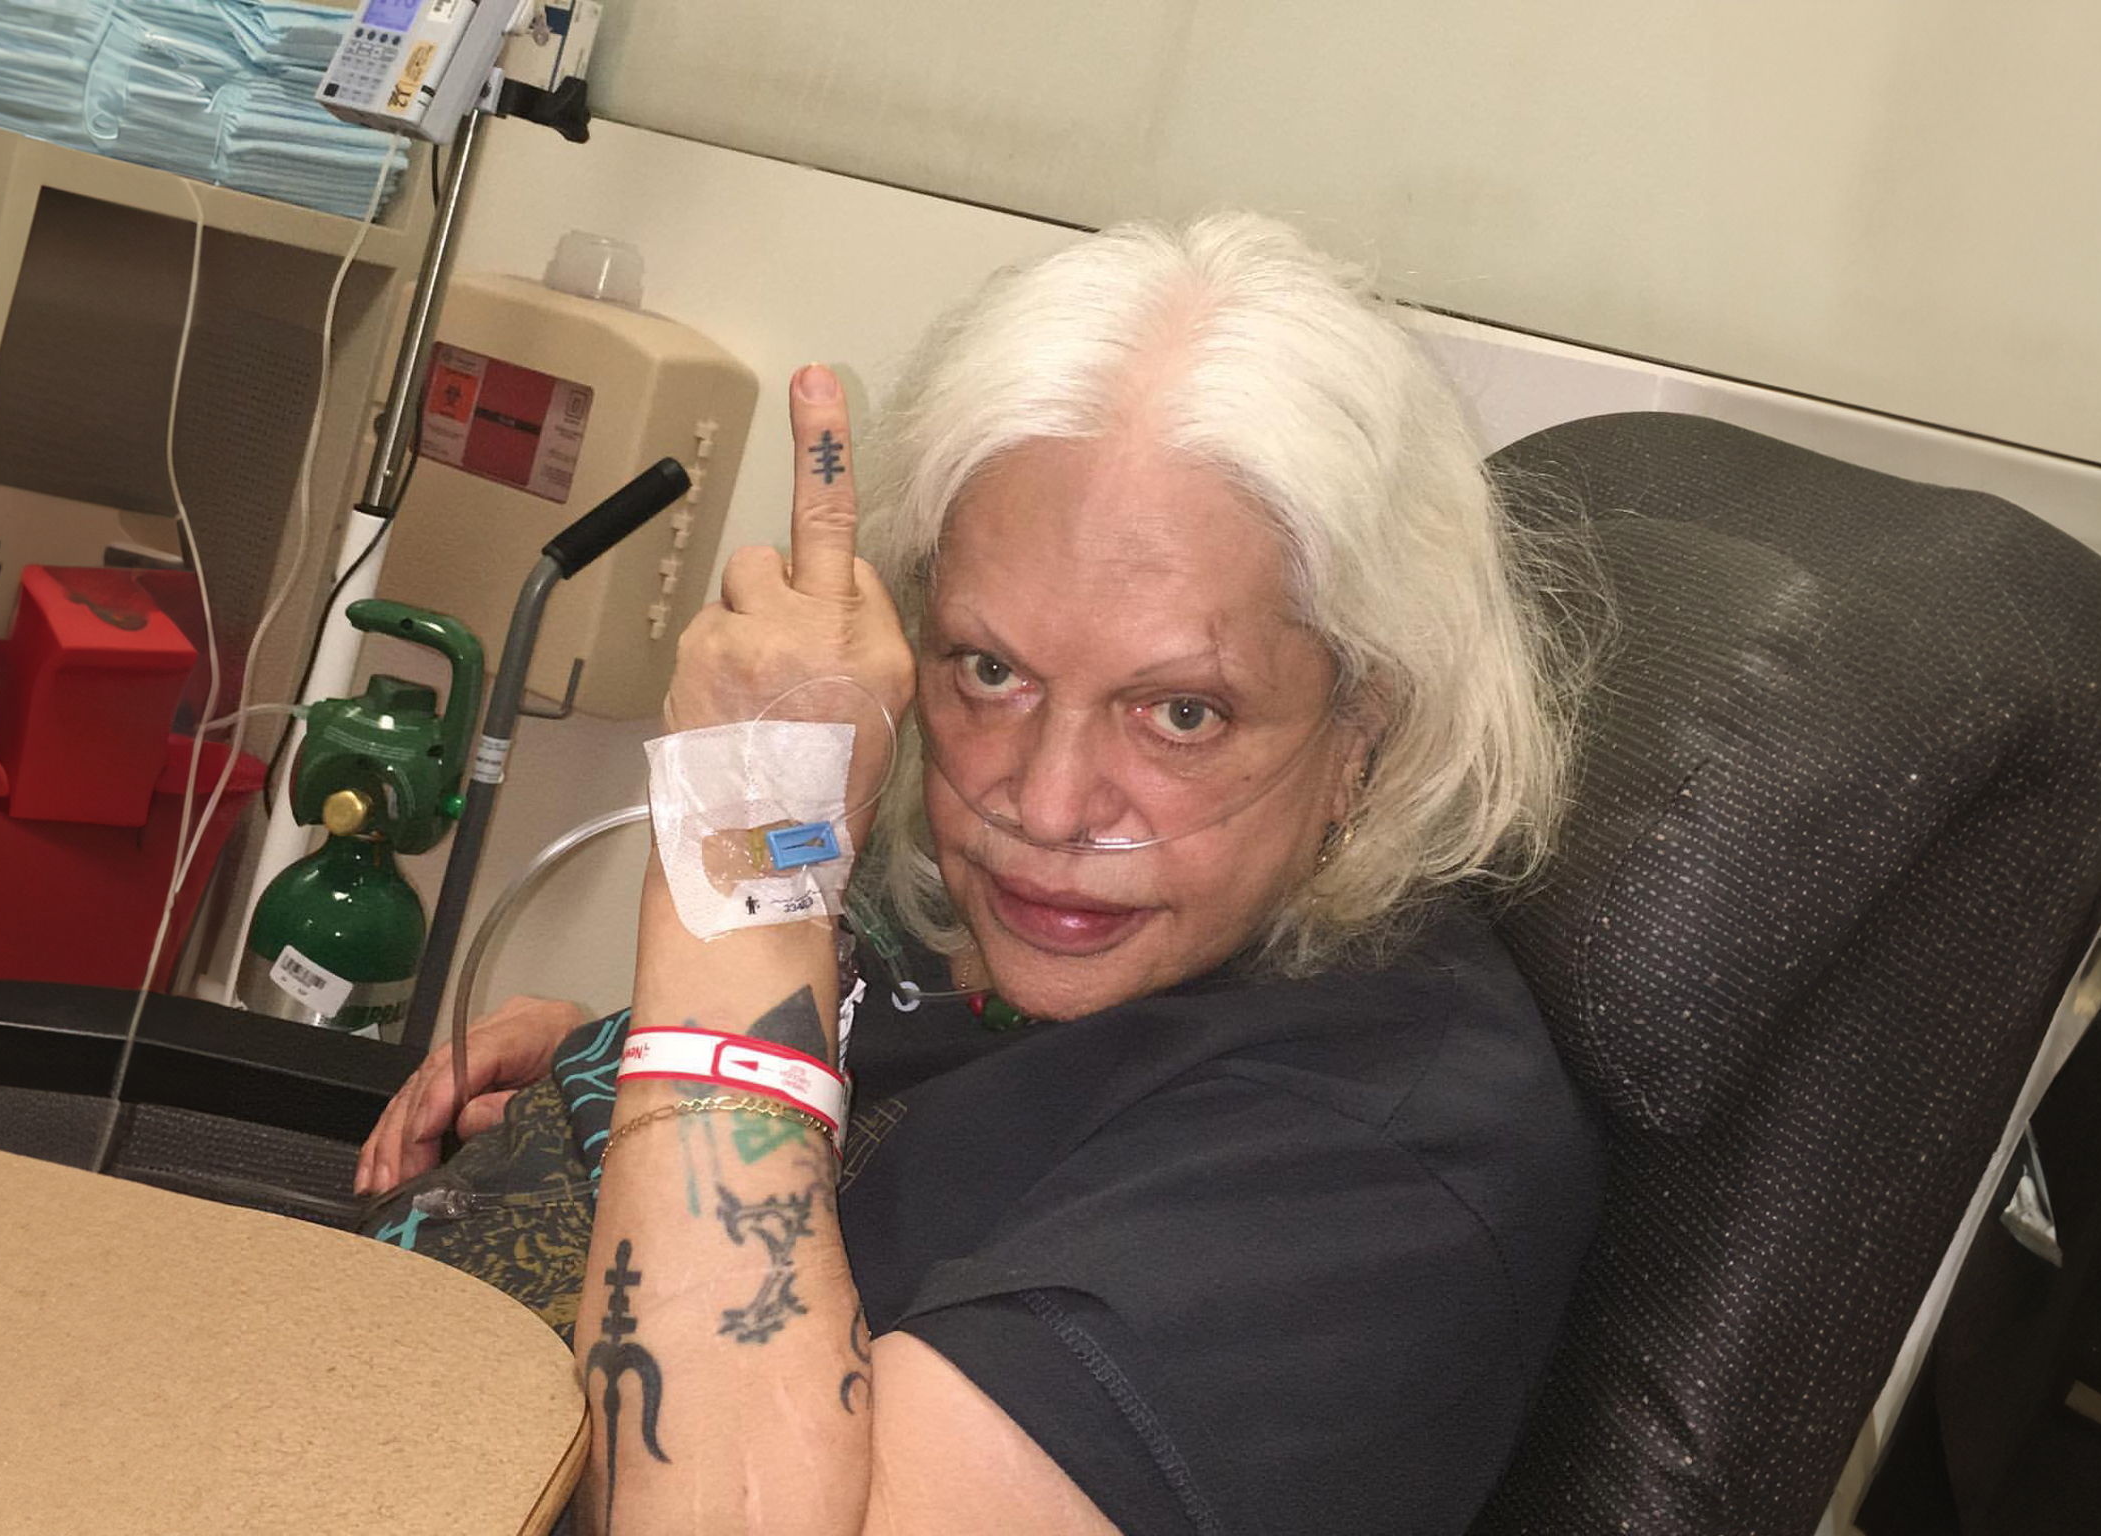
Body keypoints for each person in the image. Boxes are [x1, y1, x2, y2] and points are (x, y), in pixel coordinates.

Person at [355, 213, 1603, 1535]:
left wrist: (741, 864)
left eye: (1183, 713)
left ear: (1368, 723)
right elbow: (930, 1112)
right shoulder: (1085, 928)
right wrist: (615, 1077)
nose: (1047, 805)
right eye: (991, 670)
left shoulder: (1360, 1183)